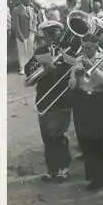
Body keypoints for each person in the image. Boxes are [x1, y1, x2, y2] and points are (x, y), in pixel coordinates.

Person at [68, 34, 103, 191]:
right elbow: (71, 84)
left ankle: (99, 178)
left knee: (96, 139)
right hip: (81, 100)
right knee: (84, 138)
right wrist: (75, 78)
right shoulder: (78, 60)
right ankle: (91, 174)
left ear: (96, 47)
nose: (86, 50)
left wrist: (91, 68)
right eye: (84, 47)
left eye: (89, 47)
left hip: (98, 100)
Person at [31, 21, 72, 182]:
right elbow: (29, 71)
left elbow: (71, 70)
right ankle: (52, 169)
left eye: (55, 33)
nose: (52, 37)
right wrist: (39, 67)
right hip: (44, 98)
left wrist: (54, 69)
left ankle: (64, 167)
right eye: (48, 33)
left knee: (58, 134)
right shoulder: (40, 51)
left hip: (61, 100)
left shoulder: (68, 51)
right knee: (47, 136)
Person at [12, 0, 38, 75]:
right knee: (22, 51)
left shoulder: (31, 8)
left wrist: (33, 29)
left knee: (30, 51)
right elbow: (16, 25)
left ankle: (29, 67)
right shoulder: (16, 10)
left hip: (30, 33)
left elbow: (34, 20)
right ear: (22, 0)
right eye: (27, 0)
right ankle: (22, 68)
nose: (29, 1)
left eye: (30, 0)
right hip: (21, 34)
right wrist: (20, 36)